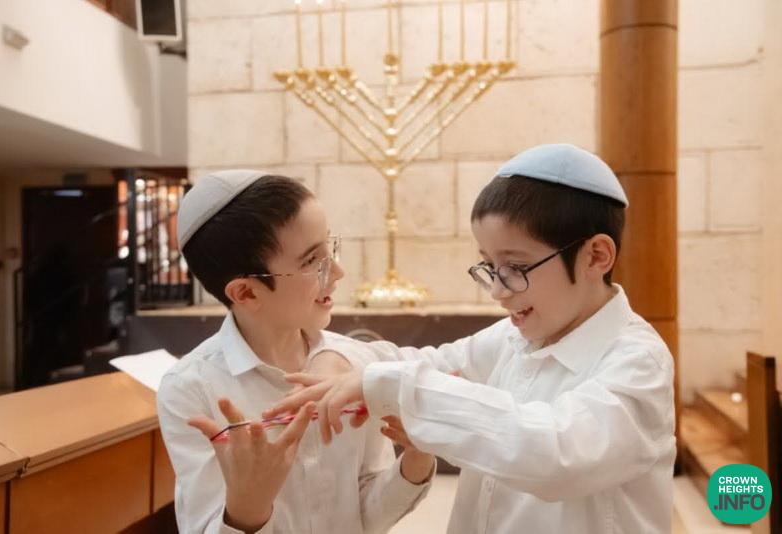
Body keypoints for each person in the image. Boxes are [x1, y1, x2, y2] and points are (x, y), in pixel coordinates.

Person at [268, 144, 677, 533]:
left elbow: (557, 455)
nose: (498, 291)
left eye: (516, 267)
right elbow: (428, 362)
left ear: (596, 256)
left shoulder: (637, 361)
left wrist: (395, 387)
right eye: (489, 267)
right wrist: (340, 358)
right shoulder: (512, 339)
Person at [156, 170, 435, 533]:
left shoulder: (353, 363)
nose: (338, 272)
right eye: (311, 261)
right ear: (246, 293)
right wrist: (246, 510)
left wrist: (416, 458)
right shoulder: (191, 388)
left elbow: (364, 516)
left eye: (330, 249)